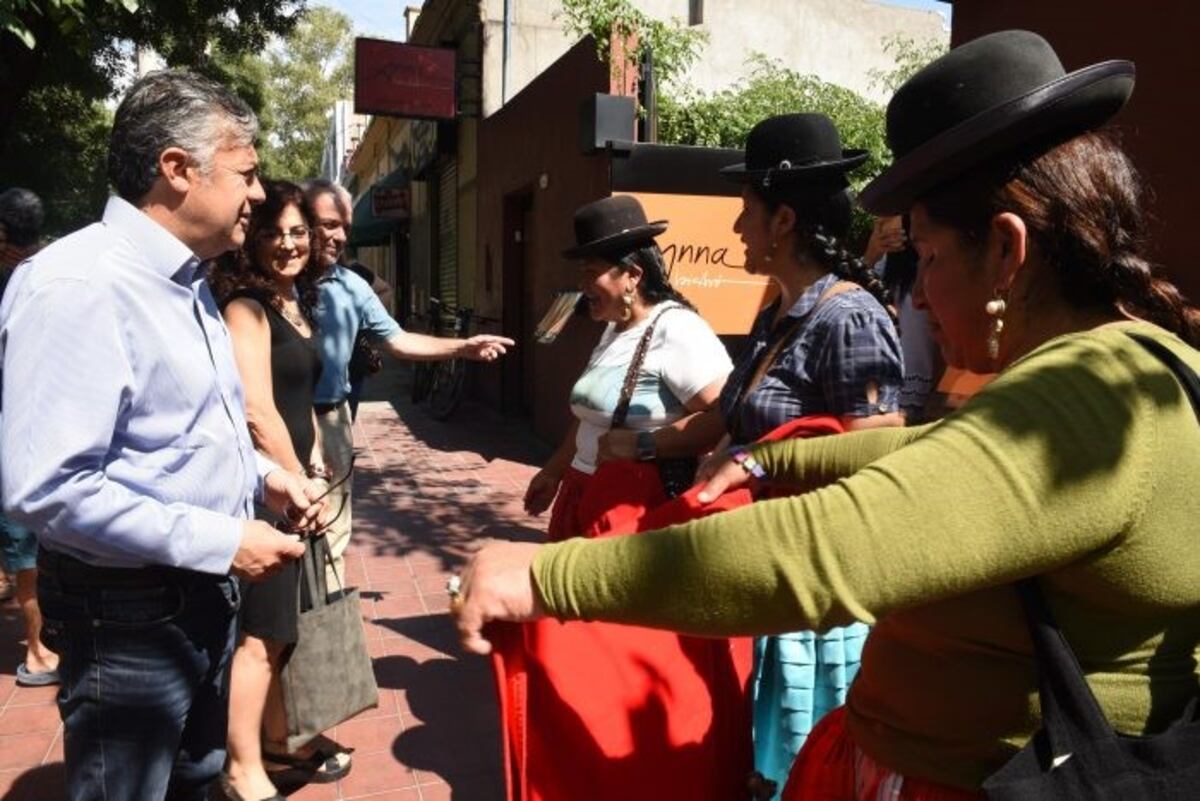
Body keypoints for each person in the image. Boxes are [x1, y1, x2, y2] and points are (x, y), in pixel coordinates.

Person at [454, 29, 1200, 799]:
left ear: (1007, 252)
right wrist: (774, 457)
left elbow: (830, 544)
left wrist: (554, 575)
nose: (914, 297)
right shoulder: (1100, 377)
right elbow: (936, 453)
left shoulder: (1096, 398)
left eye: (928, 259)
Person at [0, 70, 324, 801]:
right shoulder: (78, 285)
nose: (260, 194)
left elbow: (186, 434)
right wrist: (223, 541)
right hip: (129, 613)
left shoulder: (187, 282)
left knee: (194, 777)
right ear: (177, 169)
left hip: (198, 595)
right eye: (246, 172)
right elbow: (46, 488)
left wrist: (263, 479)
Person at [661, 113, 905, 791]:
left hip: (815, 604)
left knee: (805, 773)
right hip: (766, 581)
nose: (738, 227)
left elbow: (876, 457)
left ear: (784, 220)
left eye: (747, 211)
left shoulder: (849, 315)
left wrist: (758, 464)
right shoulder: (782, 311)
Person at [304, 179, 513, 587]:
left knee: (332, 530)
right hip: (272, 419)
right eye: (328, 224)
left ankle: (323, 622)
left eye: (344, 226)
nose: (339, 236)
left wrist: (462, 348)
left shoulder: (352, 286)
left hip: (332, 421)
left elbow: (398, 340)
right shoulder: (270, 278)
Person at [208, 179, 343, 800]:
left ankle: (278, 741)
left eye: (297, 233)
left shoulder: (296, 302)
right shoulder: (246, 307)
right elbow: (258, 410)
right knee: (261, 633)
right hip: (266, 492)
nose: (287, 244)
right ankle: (241, 768)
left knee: (286, 627)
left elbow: (301, 405)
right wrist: (298, 485)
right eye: (272, 233)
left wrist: (315, 465)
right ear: (252, 241)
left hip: (297, 484)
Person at [523, 193, 733, 534]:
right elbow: (592, 415)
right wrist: (554, 471)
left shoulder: (676, 329)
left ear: (632, 275)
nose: (582, 286)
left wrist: (643, 445)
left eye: (592, 273)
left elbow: (724, 415)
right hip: (582, 489)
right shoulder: (613, 328)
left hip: (629, 503)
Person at [0, 187, 59, 687]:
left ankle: (40, 650)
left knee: (23, 544)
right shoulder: (48, 273)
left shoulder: (14, 280)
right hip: (48, 422)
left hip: (13, 426)